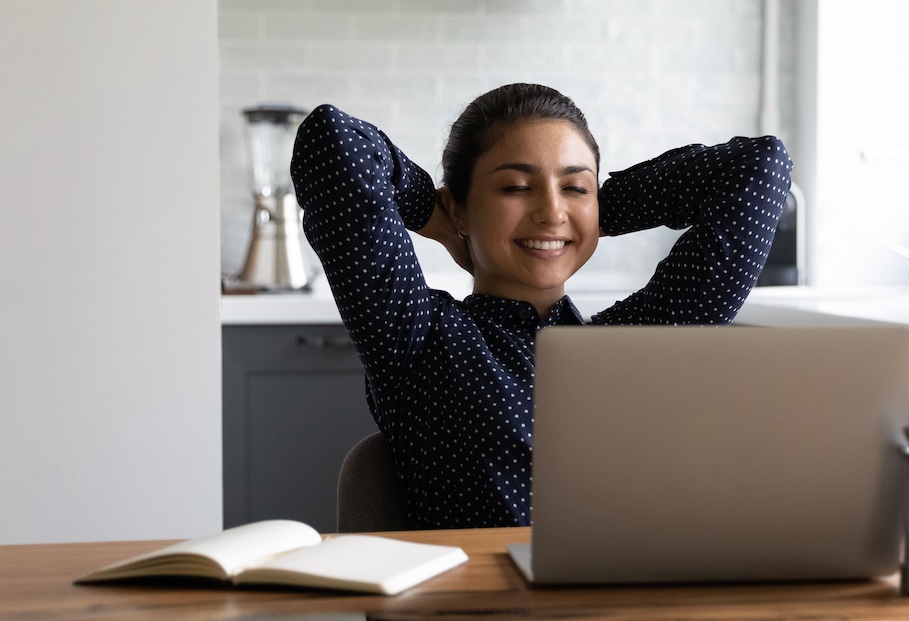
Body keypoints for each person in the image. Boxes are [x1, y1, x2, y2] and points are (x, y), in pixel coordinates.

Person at [291, 83, 792, 529]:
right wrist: (437, 216)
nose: (551, 211)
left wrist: (591, 213)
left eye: (574, 187)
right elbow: (333, 141)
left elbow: (759, 167)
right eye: (515, 187)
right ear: (461, 206)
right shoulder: (418, 339)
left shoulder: (635, 343)